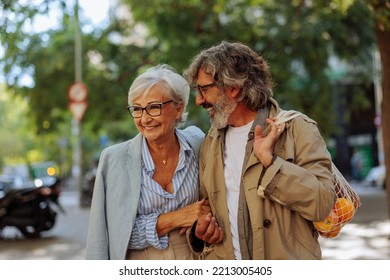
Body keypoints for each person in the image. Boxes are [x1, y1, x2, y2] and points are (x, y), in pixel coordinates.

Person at [183, 41, 336, 260]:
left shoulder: (298, 128)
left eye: (204, 89)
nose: (198, 100)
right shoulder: (210, 142)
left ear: (233, 88)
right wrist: (200, 232)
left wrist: (271, 163)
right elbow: (205, 210)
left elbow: (322, 204)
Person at [86, 64, 210, 260]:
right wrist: (175, 218)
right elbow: (113, 234)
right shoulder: (113, 159)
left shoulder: (198, 143)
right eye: (137, 109)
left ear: (178, 108)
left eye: (154, 107)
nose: (144, 119)